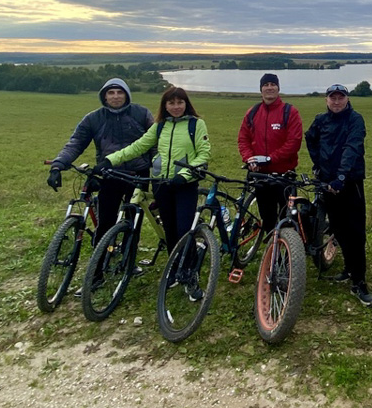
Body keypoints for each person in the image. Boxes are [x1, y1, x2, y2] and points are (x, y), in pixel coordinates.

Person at [100, 86, 211, 298]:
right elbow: (138, 146)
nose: (176, 107)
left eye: (180, 102)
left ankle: (189, 275)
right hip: (161, 184)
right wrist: (110, 160)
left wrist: (185, 175)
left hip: (184, 185)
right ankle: (174, 267)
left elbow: (203, 154)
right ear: (165, 106)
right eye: (171, 103)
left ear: (186, 104)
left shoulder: (196, 124)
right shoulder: (159, 126)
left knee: (184, 230)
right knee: (169, 231)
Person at [46, 77, 154, 243]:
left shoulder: (142, 113)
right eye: (111, 93)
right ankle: (98, 262)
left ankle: (129, 260)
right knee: (105, 221)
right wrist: (58, 165)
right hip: (110, 174)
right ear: (104, 96)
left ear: (127, 95)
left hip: (138, 174)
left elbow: (154, 142)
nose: (115, 96)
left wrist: (159, 166)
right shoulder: (93, 118)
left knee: (134, 219)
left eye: (120, 92)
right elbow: (76, 143)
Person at [305, 84, 372, 307]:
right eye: (332, 98)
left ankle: (359, 282)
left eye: (340, 97)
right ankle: (348, 268)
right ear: (326, 100)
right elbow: (310, 138)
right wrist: (318, 164)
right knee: (337, 228)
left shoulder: (355, 119)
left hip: (350, 182)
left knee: (355, 232)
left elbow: (352, 148)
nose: (336, 101)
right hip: (327, 183)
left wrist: (342, 176)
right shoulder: (320, 120)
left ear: (347, 99)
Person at [237, 73, 304, 232]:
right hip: (260, 174)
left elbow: (294, 142)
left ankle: (288, 251)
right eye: (265, 85)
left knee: (287, 219)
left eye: (272, 84)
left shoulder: (289, 112)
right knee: (267, 218)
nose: (269, 88)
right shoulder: (253, 112)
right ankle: (270, 250)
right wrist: (249, 159)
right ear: (261, 89)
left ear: (278, 88)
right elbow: (243, 139)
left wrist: (270, 159)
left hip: (283, 175)